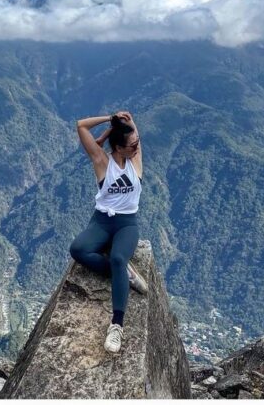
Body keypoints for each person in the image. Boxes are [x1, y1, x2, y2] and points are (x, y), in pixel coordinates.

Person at [71, 110, 148, 354]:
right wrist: (108, 119)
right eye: (131, 144)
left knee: (117, 257)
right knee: (78, 250)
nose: (136, 146)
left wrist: (127, 121)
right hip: (102, 222)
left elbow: (133, 133)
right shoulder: (102, 162)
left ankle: (117, 324)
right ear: (118, 146)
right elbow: (81, 124)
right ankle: (124, 275)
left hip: (127, 223)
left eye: (136, 143)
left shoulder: (135, 159)